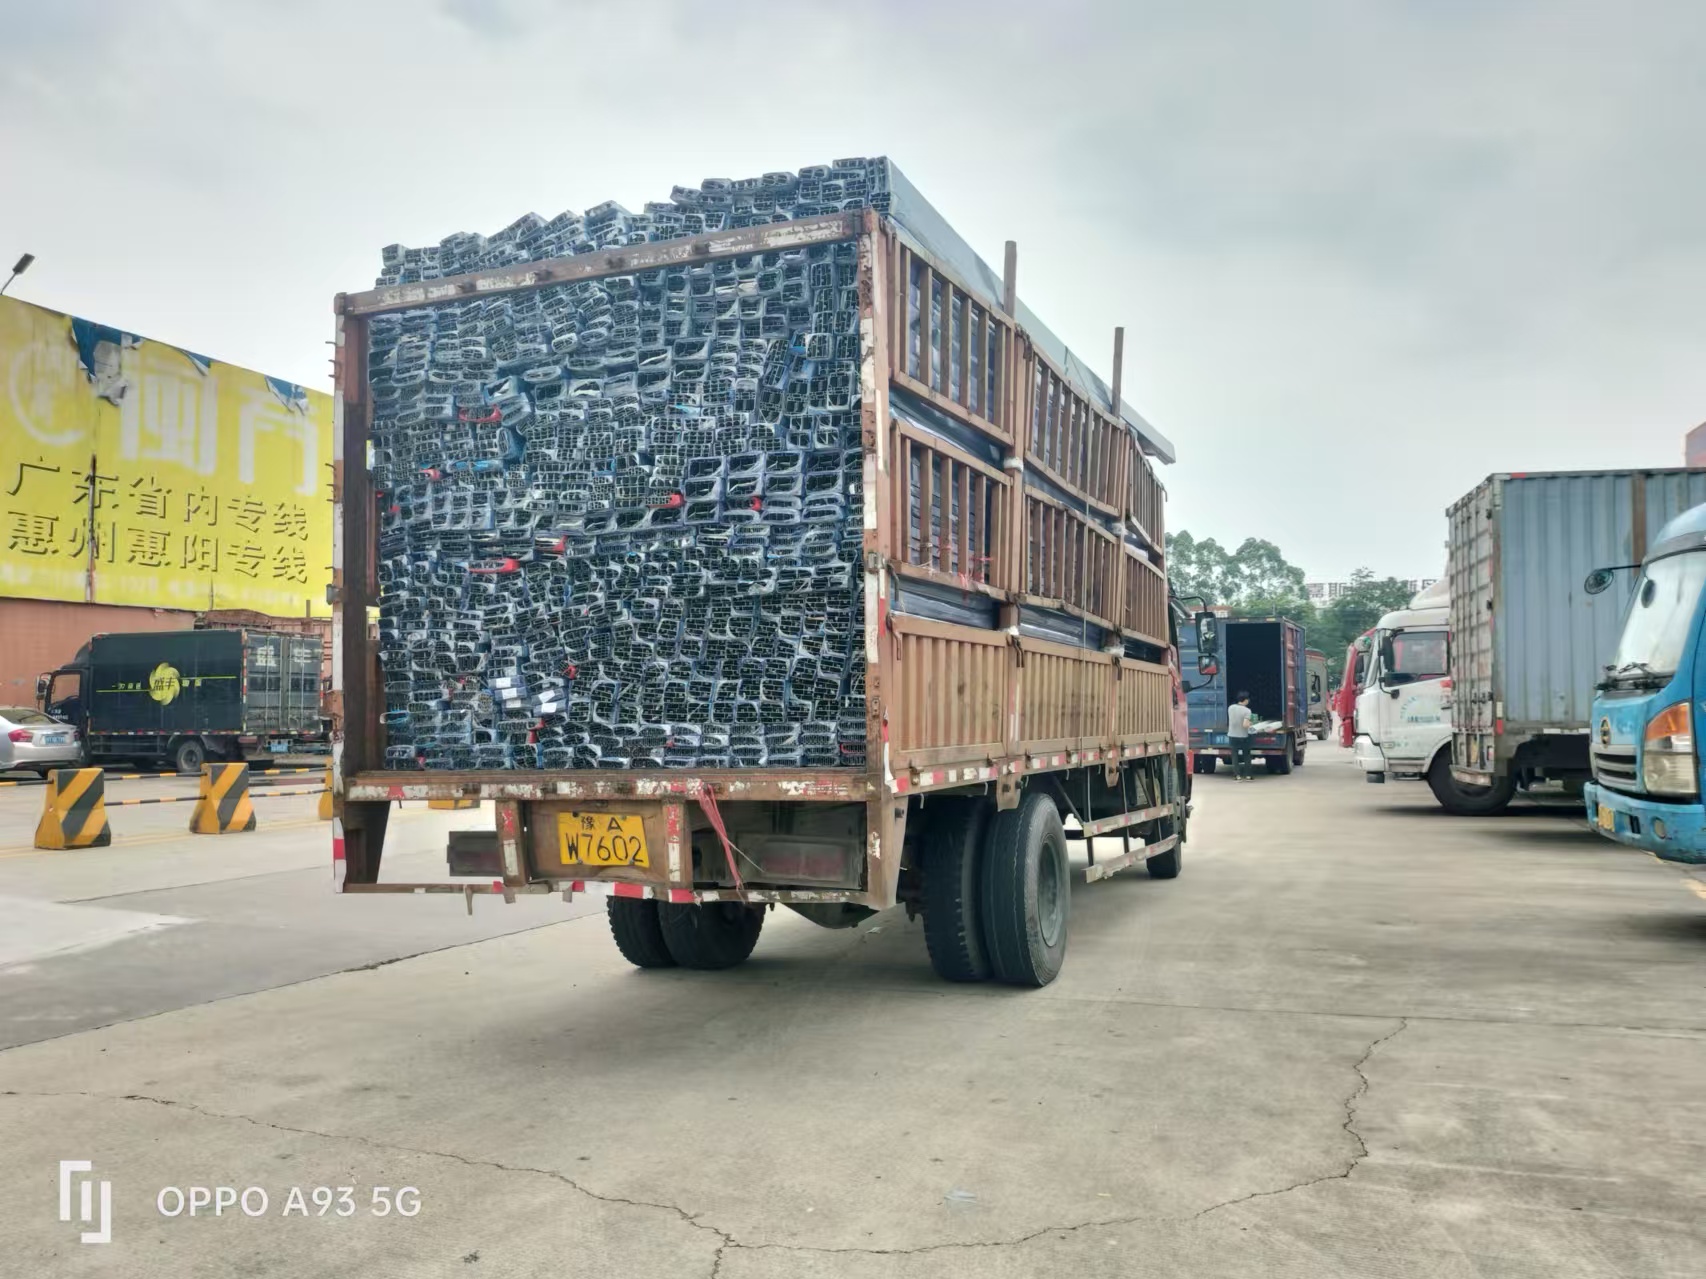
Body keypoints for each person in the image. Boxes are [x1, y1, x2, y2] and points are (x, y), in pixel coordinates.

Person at [1227, 691, 1254, 781]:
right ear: (1245, 700)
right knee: (1246, 755)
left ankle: (1237, 775)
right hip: (1243, 736)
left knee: (1234, 756)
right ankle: (1248, 775)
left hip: (1232, 735)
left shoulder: (1230, 708)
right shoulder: (1247, 711)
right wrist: (1251, 723)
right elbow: (1245, 725)